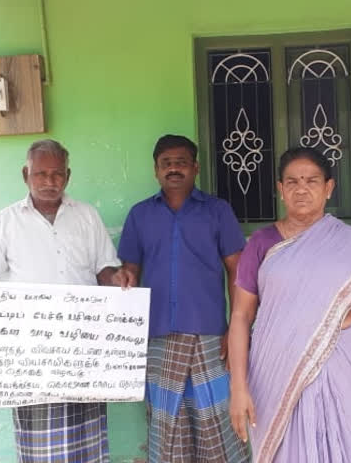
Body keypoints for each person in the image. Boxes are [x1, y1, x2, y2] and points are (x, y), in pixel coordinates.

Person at [227, 147, 351, 463]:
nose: (300, 189)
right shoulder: (261, 244)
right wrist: (238, 386)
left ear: (328, 187)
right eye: (291, 182)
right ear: (280, 189)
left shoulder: (350, 241)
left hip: (345, 370)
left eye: (311, 181)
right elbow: (240, 315)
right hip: (276, 371)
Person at [112, 135, 249, 463]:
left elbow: (238, 271)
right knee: (167, 427)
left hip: (211, 336)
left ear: (195, 168)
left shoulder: (217, 211)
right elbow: (130, 267)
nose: (174, 168)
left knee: (216, 423)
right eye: (166, 163)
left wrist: (235, 329)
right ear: (156, 170)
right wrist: (124, 276)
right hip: (158, 336)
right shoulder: (140, 215)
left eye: (181, 162)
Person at [0, 139, 121, 463]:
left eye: (57, 174)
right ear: (26, 175)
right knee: (39, 444)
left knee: (87, 437)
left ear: (68, 175)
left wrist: (116, 278)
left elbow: (104, 267)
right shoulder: (4, 223)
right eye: (41, 174)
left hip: (81, 348)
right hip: (32, 355)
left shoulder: (86, 216)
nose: (50, 182)